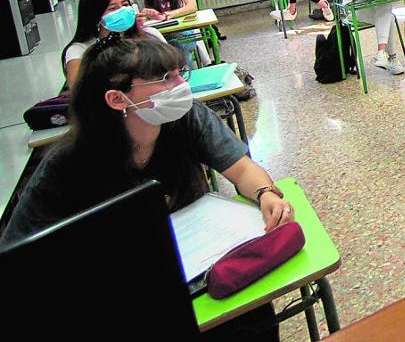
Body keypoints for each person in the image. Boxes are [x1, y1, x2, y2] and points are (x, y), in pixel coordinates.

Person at [2, 37, 291, 341]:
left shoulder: (186, 117)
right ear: (117, 99)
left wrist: (265, 193)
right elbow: (18, 254)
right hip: (131, 290)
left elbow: (242, 167)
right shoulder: (66, 165)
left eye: (180, 73)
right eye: (165, 78)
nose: (180, 85)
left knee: (253, 316)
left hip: (203, 263)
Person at [61, 0, 167, 87]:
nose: (122, 11)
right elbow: (79, 89)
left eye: (125, 5)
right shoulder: (79, 50)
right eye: (112, 8)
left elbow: (171, 68)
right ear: (95, 16)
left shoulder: (151, 34)